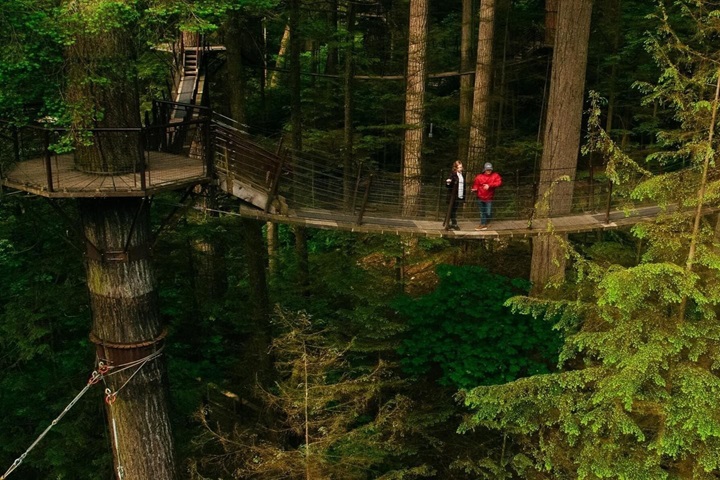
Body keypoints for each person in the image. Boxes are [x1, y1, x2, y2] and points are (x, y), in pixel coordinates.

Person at [471, 162, 502, 230]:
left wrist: (489, 185)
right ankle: (483, 224)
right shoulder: (479, 177)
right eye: (487, 169)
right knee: (482, 212)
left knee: (488, 212)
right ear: (484, 170)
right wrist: (475, 189)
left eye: (490, 169)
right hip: (480, 197)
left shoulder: (495, 175)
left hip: (489, 198)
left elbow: (499, 182)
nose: (489, 171)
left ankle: (486, 222)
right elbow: (476, 185)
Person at [445, 161, 464, 230]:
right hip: (453, 195)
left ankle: (448, 223)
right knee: (452, 210)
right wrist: (448, 182)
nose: (461, 168)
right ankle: (454, 223)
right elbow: (448, 185)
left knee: (454, 210)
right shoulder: (453, 174)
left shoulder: (461, 174)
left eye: (461, 167)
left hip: (459, 194)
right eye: (459, 167)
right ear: (456, 168)